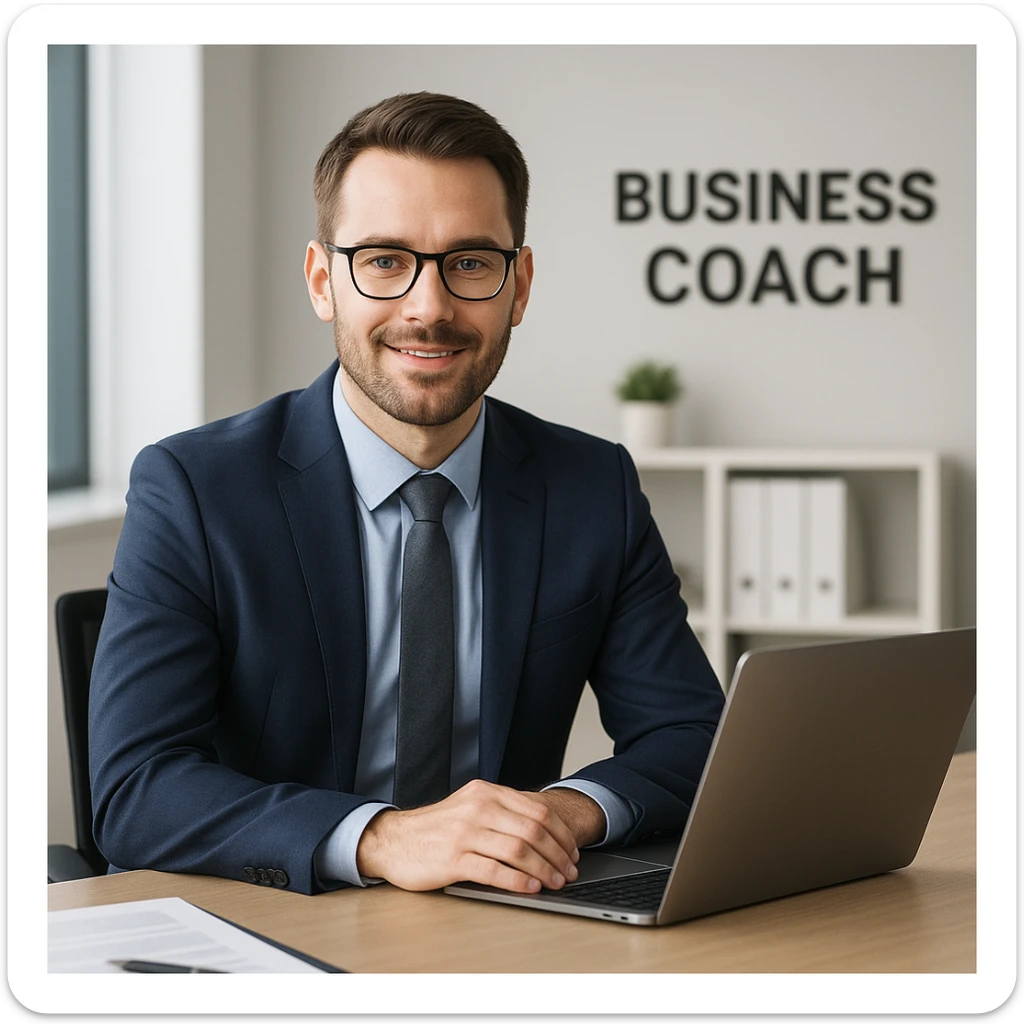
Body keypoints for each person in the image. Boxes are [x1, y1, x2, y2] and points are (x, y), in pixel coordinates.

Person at [88, 91, 725, 898]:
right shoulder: (196, 489)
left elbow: (692, 734)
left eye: (469, 263)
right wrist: (382, 839)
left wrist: (566, 811)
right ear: (324, 281)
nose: (429, 308)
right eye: (385, 261)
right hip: (266, 922)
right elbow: (135, 788)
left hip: (495, 926)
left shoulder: (590, 486)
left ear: (518, 286)